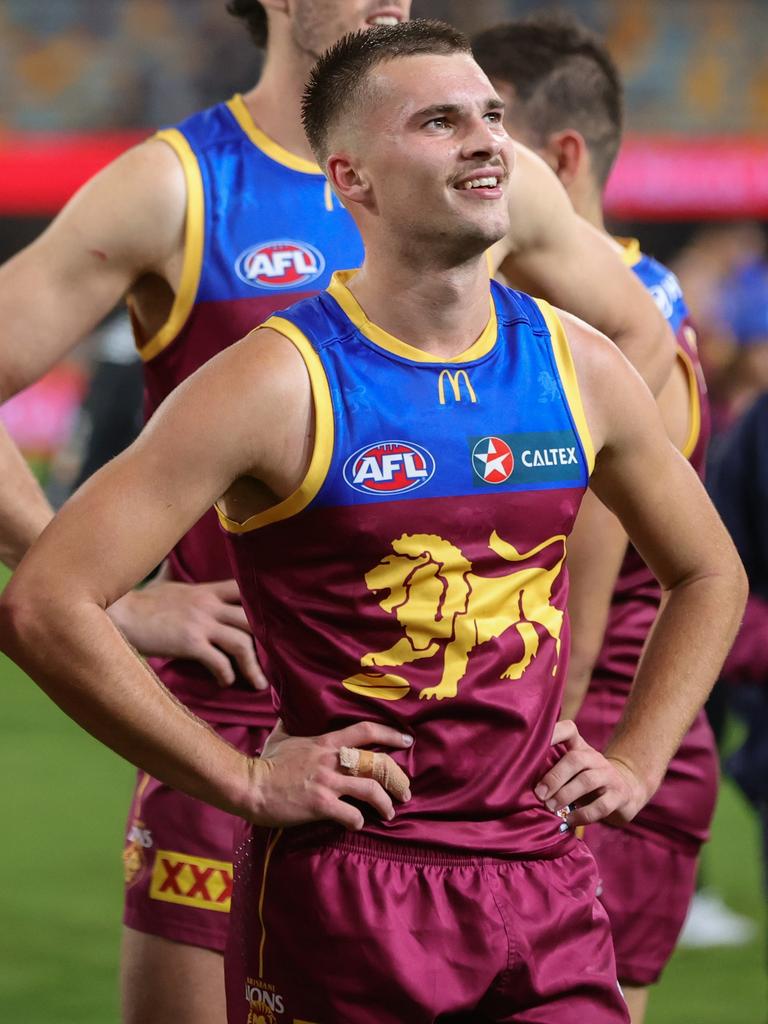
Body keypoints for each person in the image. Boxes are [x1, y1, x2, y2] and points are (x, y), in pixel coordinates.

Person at [0, 20, 746, 1024]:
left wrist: (631, 745)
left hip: (536, 853)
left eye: (492, 118)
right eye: (444, 121)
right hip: (289, 765)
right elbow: (49, 602)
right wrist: (146, 622)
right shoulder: (226, 288)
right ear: (347, 178)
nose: (487, 142)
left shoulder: (574, 364)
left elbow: (705, 556)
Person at [472, 16, 720, 1022]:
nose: (467, 150)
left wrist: (543, 734)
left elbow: (589, 577)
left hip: (588, 751)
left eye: (489, 124)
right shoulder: (611, 304)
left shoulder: (617, 335)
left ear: (560, 157)